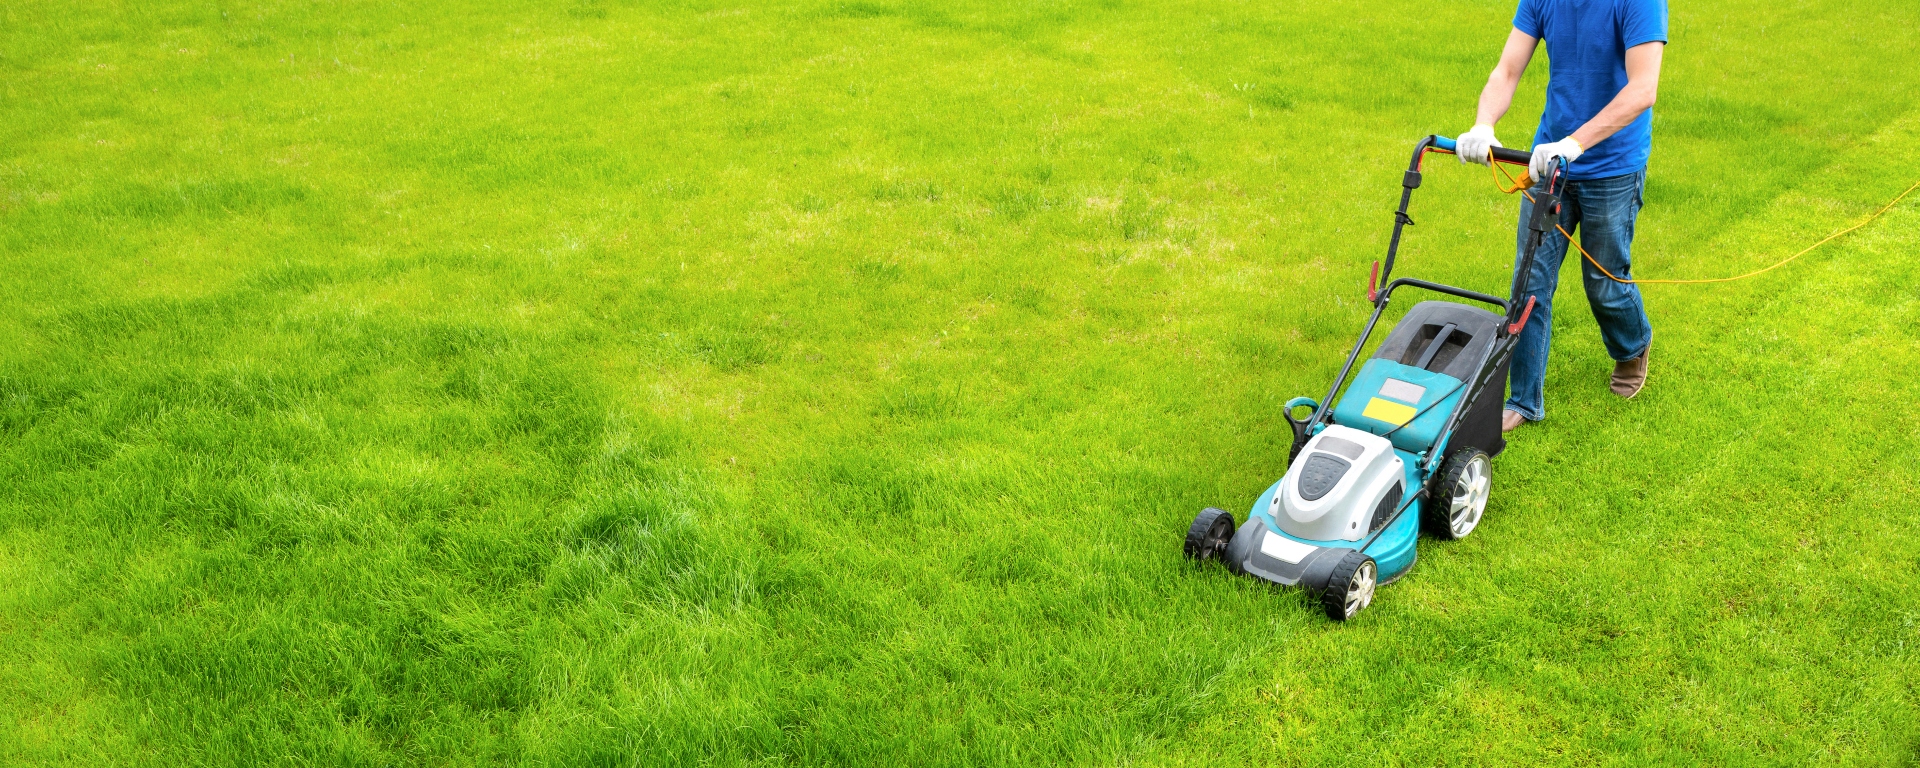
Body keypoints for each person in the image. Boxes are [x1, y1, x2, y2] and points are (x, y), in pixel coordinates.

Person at [1455, 0, 1667, 432]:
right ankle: (1523, 400)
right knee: (1529, 279)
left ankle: (1633, 347)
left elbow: (1643, 88)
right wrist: (1483, 124)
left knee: (1605, 283)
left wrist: (1575, 143)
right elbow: (1508, 69)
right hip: (1548, 162)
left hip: (1612, 165)